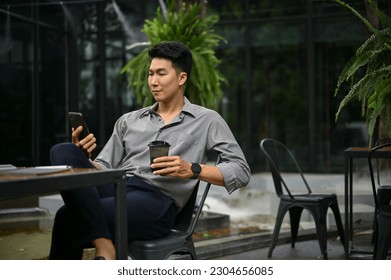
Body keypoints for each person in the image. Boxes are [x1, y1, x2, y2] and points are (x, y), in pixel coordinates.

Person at [49, 41, 251, 260]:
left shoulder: (207, 120)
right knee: (63, 151)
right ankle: (104, 244)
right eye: (150, 74)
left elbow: (240, 170)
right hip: (116, 185)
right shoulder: (129, 120)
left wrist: (192, 169)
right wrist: (84, 158)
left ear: (181, 78)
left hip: (156, 200)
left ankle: (102, 246)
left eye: (161, 74)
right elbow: (105, 166)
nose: (153, 82)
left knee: (66, 216)